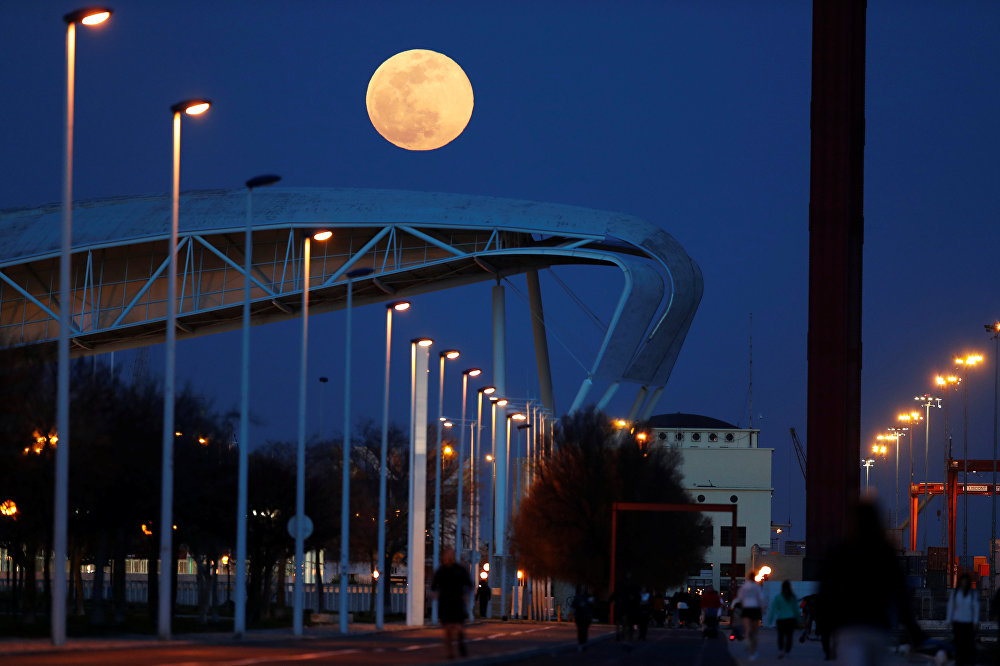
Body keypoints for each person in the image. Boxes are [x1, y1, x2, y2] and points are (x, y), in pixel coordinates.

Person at [820, 500, 924, 665]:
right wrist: (913, 629)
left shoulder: (839, 553)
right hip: (877, 628)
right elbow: (900, 595)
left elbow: (826, 595)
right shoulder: (885, 553)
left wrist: (826, 634)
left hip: (848, 629)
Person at [430, 548, 474, 659]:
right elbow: (434, 585)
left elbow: (469, 584)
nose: (448, 557)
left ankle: (461, 642)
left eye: (450, 555)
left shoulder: (460, 569)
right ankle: (450, 653)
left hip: (457, 601)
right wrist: (434, 593)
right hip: (445, 602)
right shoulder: (441, 570)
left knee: (459, 626)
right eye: (446, 555)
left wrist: (466, 594)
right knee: (447, 629)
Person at [946, 572, 979, 665]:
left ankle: (968, 661)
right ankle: (959, 661)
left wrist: (975, 621)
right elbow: (951, 607)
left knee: (968, 644)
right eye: (963, 581)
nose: (964, 583)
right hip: (958, 622)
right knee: (958, 643)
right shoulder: (955, 593)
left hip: (968, 622)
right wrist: (948, 620)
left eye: (965, 582)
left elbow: (976, 608)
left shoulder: (973, 593)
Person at [734, 574, 766, 660]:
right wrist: (762, 610)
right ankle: (753, 653)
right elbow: (761, 599)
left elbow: (739, 598)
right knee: (755, 632)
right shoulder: (757, 587)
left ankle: (746, 639)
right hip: (755, 609)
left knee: (747, 628)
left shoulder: (744, 587)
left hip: (746, 609)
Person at [767, 580, 799, 659]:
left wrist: (770, 620)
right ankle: (787, 651)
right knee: (789, 636)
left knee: (780, 636)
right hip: (791, 619)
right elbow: (796, 610)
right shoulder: (793, 597)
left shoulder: (778, 597)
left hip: (781, 619)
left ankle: (781, 650)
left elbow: (773, 609)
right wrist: (799, 620)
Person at [571, 585, 595, 651]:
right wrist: (573, 614)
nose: (583, 589)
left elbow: (592, 606)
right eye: (581, 588)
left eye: (584, 588)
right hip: (579, 617)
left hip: (586, 617)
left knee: (584, 631)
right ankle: (581, 644)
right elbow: (573, 607)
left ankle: (584, 643)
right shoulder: (577, 597)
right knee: (580, 631)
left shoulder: (588, 597)